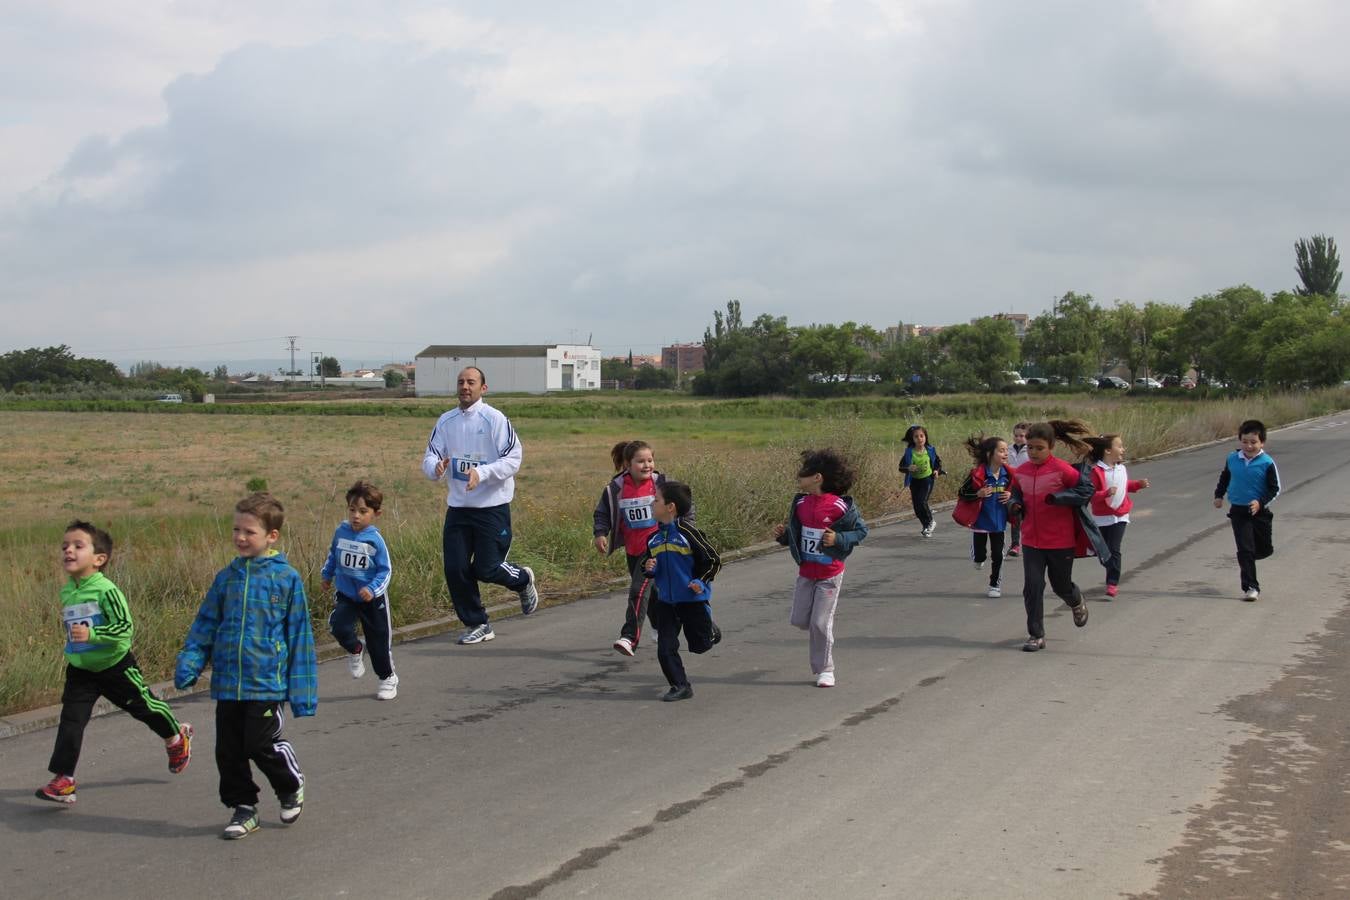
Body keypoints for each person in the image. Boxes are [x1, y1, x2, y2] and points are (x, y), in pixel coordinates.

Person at [175, 493, 317, 840]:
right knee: (228, 750)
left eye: (249, 532)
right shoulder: (227, 578)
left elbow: (299, 635)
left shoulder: (286, 579)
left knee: (259, 744)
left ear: (271, 536)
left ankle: (289, 784)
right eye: (236, 529)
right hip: (228, 683)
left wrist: (302, 693)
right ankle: (243, 807)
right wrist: (191, 661)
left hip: (267, 683)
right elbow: (205, 624)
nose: (240, 537)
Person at [36, 521, 192, 805]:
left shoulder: (106, 590)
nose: (68, 551)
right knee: (71, 720)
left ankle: (175, 736)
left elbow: (124, 628)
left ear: (99, 559)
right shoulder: (67, 591)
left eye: (77, 546)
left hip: (115, 666)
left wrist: (93, 634)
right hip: (81, 671)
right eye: (64, 547)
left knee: (145, 708)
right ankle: (64, 779)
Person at [421, 366, 539, 645]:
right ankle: (478, 623)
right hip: (459, 508)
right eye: (461, 382)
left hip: (492, 507)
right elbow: (430, 456)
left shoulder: (494, 419)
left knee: (486, 569)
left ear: (483, 388)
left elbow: (513, 459)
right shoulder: (446, 421)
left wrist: (481, 473)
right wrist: (435, 468)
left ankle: (522, 579)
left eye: (471, 382)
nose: (465, 387)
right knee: (455, 568)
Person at [773, 449, 869, 687]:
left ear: (817, 477)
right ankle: (819, 632)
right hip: (806, 573)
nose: (798, 477)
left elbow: (860, 531)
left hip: (829, 574)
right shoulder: (801, 503)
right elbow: (797, 534)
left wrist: (838, 539)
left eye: (803, 474)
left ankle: (825, 669)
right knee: (799, 620)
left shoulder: (839, 506)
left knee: (820, 623)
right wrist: (784, 536)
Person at [593, 440, 688, 656]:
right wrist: (600, 533)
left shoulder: (662, 484)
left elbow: (684, 505)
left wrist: (687, 531)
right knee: (653, 593)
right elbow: (602, 513)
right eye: (640, 461)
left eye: (650, 460)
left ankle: (629, 637)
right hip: (633, 550)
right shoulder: (616, 488)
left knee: (638, 590)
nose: (647, 465)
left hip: (658, 547)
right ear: (627, 464)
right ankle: (667, 625)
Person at [1009, 420, 1097, 652]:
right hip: (1031, 541)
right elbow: (1015, 493)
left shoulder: (1062, 469)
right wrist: (1015, 505)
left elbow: (1086, 489)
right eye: (1030, 448)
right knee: (1032, 587)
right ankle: (1036, 635)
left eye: (1040, 448)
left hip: (1060, 541)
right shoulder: (1022, 472)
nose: (1034, 452)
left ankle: (1075, 600)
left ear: (1051, 447)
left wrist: (1061, 498)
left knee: (1061, 586)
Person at [642, 481, 722, 702]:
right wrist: (648, 568)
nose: (652, 503)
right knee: (665, 648)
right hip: (666, 602)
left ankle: (710, 631)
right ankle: (680, 686)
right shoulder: (653, 538)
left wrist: (700, 581)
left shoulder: (689, 533)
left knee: (700, 646)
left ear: (670, 507)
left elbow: (713, 560)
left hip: (691, 599)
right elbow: (647, 565)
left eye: (656, 499)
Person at [322, 480, 399, 700]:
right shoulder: (341, 532)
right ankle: (355, 649)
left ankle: (387, 678)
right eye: (352, 510)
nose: (356, 516)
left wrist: (373, 589)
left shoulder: (375, 540)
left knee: (379, 644)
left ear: (376, 513)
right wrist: (327, 575)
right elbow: (333, 556)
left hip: (372, 601)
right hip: (347, 595)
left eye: (363, 511)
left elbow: (385, 571)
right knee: (338, 625)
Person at [1212, 419, 1280, 601]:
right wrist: (1219, 495)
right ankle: (1251, 586)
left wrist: (1260, 502)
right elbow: (1225, 478)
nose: (1248, 446)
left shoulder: (1267, 462)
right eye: (1244, 442)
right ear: (1240, 440)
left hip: (1260, 512)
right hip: (1239, 511)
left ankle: (1250, 558)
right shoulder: (1232, 458)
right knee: (1245, 549)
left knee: (1264, 549)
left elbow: (1275, 488)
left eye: (1253, 442)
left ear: (1262, 442)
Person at [1085, 434, 1150, 598]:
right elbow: (1091, 494)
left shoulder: (1121, 468)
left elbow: (1124, 485)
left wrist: (1137, 485)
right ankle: (1099, 554)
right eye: (1119, 446)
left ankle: (1112, 583)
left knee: (1114, 550)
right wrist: (1105, 493)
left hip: (1120, 516)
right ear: (1107, 450)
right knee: (1103, 552)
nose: (1123, 449)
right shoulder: (1097, 471)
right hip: (1102, 518)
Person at [955, 436, 1012, 598]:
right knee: (981, 555)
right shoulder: (977, 474)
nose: (1006, 453)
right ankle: (978, 558)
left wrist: (1010, 495)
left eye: (1007, 450)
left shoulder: (1009, 475)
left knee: (998, 555)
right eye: (1001, 451)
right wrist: (977, 493)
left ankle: (995, 585)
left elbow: (1018, 492)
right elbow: (962, 493)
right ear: (989, 454)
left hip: (999, 522)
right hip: (980, 520)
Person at [900, 424, 944, 537]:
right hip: (914, 481)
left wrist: (936, 471)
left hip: (927, 479)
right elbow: (901, 467)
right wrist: (908, 468)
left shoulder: (930, 450)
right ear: (912, 439)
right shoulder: (909, 452)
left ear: (925, 437)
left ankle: (931, 522)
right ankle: (926, 527)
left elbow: (937, 462)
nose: (919, 439)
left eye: (922, 436)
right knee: (917, 507)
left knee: (922, 501)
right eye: (916, 436)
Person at [1006, 423, 1030, 556]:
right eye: (1016, 435)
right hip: (1013, 487)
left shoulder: (1031, 450)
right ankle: (1015, 544)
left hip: (1028, 487)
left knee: (1028, 517)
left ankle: (1030, 542)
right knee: (1016, 514)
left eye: (1022, 436)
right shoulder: (1008, 450)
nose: (1018, 438)